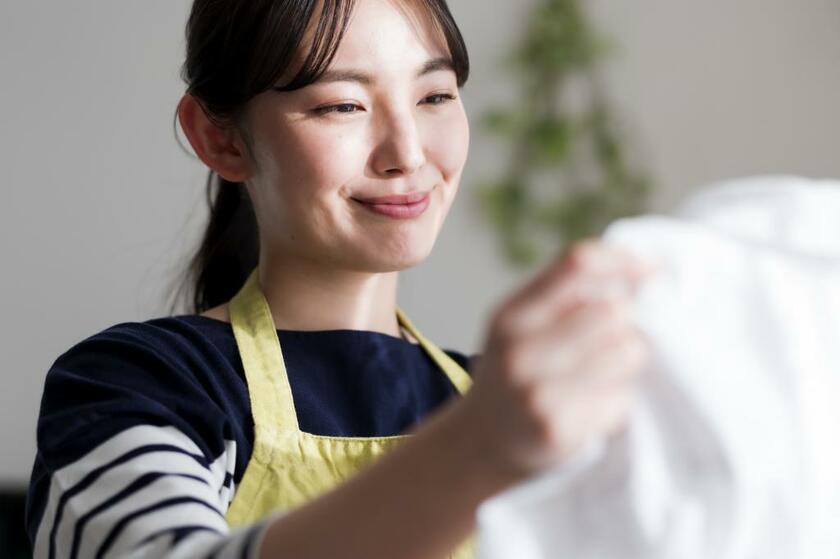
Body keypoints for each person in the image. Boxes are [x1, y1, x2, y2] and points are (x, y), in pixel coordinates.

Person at [25, 0, 654, 557]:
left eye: (434, 96)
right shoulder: (144, 386)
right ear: (221, 139)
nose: (406, 153)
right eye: (341, 105)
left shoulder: (518, 403)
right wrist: (479, 450)